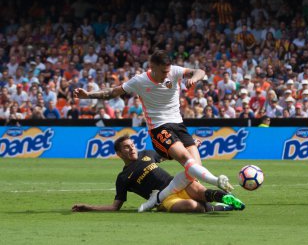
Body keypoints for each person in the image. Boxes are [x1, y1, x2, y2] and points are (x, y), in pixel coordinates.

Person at [74, 50, 233, 213]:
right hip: (159, 127)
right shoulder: (140, 81)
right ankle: (217, 181)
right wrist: (88, 95)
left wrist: (194, 78)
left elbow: (200, 71)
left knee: (195, 169)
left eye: (168, 70)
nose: (167, 74)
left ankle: (157, 199)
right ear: (153, 67)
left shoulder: (175, 71)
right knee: (186, 159)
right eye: (164, 71)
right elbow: (112, 92)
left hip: (179, 124)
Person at [72, 135, 245, 212]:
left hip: (179, 184)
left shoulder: (147, 154)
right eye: (126, 147)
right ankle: (221, 206)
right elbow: (115, 207)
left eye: (132, 145)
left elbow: (173, 153)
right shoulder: (123, 177)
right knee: (192, 206)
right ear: (119, 153)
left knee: (200, 192)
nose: (132, 148)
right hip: (165, 199)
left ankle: (226, 198)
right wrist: (88, 207)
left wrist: (190, 145)